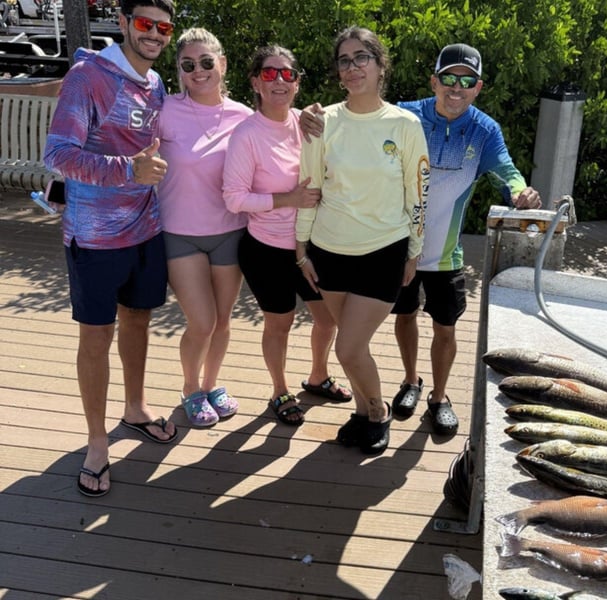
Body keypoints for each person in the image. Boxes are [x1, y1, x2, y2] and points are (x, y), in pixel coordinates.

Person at [301, 43, 540, 437]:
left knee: (445, 328)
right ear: (434, 80)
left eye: (467, 80)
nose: (456, 87)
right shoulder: (406, 115)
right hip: (394, 249)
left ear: (479, 87)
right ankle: (411, 381)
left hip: (445, 253)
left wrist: (520, 192)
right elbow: (358, 115)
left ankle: (439, 397)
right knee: (405, 317)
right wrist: (308, 117)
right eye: (449, 78)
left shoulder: (484, 130)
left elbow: (507, 172)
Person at [43, 0, 178, 498]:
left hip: (146, 228)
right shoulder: (88, 77)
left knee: (139, 319)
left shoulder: (156, 82)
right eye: (145, 24)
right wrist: (128, 170)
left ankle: (135, 407)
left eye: (164, 27)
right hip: (95, 236)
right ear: (122, 23)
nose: (156, 34)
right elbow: (57, 153)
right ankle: (97, 442)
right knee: (96, 337)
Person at [296, 26, 428, 454]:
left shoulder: (405, 124)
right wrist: (302, 249)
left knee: (349, 349)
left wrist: (414, 250)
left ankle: (378, 411)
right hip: (329, 250)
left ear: (379, 64)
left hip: (383, 251)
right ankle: (359, 412)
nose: (353, 68)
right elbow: (310, 185)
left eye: (362, 57)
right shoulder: (323, 121)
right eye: (344, 60)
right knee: (354, 347)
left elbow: (419, 192)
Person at [222, 44, 352, 427]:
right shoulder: (246, 134)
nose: (279, 80)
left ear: (297, 83)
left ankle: (317, 376)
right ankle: (279, 390)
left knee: (328, 320)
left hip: (313, 247)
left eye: (287, 74)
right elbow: (234, 199)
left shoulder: (309, 123)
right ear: (255, 83)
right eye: (269, 73)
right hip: (266, 250)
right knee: (280, 323)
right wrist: (287, 198)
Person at [157, 27, 252, 427]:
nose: (199, 71)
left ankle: (212, 385)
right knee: (202, 322)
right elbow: (122, 143)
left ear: (222, 64)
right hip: (179, 232)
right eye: (188, 64)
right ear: (178, 69)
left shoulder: (245, 116)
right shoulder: (163, 111)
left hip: (231, 231)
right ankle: (191, 389)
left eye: (207, 62)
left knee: (223, 321)